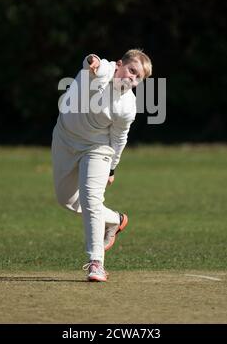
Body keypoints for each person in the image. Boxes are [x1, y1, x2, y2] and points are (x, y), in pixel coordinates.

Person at [51, 49, 152, 282]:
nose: (132, 79)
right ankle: (116, 220)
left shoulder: (127, 106)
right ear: (119, 65)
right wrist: (92, 61)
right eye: (131, 71)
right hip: (65, 139)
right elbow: (92, 60)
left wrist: (112, 168)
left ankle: (96, 263)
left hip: (97, 147)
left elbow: (119, 139)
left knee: (90, 199)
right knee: (66, 200)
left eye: (138, 78)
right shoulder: (102, 71)